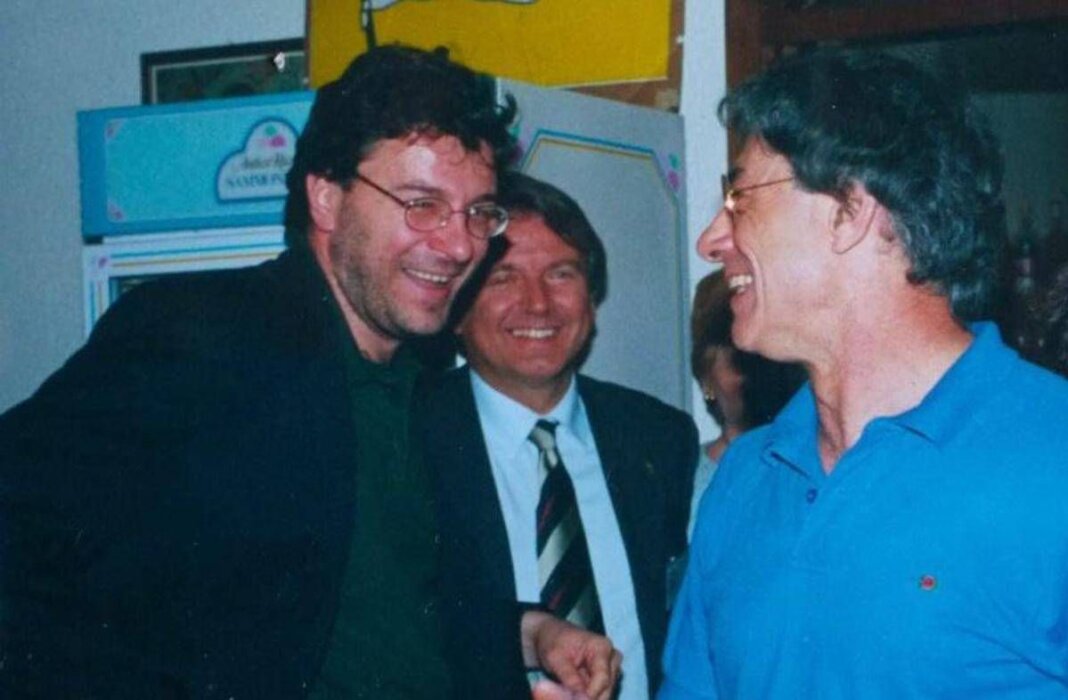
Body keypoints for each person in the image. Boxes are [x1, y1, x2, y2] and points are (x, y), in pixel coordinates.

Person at [0, 45, 617, 699]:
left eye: (477, 212)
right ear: (326, 197)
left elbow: (381, 607)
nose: (460, 244)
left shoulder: (417, 382)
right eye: (421, 204)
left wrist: (529, 632)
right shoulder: (204, 337)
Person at [660, 49, 1068, 698]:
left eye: (739, 197)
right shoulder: (745, 478)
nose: (711, 239)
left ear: (851, 210)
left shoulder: (1053, 460)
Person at [424, 172, 697, 699]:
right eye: (503, 278)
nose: (537, 303)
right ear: (455, 311)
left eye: (560, 274)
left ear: (592, 302)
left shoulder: (657, 437)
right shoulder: (409, 439)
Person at [687, 271, 804, 537]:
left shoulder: (820, 470)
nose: (757, 374)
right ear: (706, 376)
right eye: (738, 360)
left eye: (769, 357)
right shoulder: (683, 482)